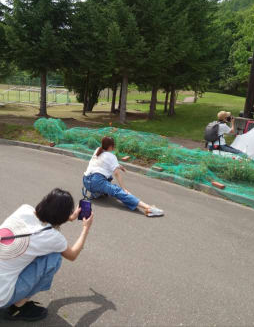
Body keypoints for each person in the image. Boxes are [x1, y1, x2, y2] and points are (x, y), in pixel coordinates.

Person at [0, 188, 94, 322]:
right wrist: (86, 228)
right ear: (62, 216)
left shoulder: (24, 209)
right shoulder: (53, 237)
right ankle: (18, 308)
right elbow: (72, 255)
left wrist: (69, 218)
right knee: (54, 257)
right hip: (2, 296)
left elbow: (43, 218)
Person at [82, 136, 164, 217]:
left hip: (86, 181)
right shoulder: (111, 156)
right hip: (97, 182)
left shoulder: (98, 150)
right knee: (118, 191)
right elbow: (117, 174)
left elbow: (104, 161)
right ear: (111, 147)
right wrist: (124, 189)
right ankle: (149, 208)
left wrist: (119, 165)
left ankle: (96, 193)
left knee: (108, 178)